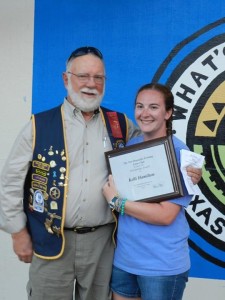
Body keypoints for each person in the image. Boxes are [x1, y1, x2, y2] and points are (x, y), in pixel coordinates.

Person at [0, 48, 201, 300]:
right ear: (66, 79)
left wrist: (190, 167)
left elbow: (156, 150)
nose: (91, 84)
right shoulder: (38, 125)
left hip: (103, 244)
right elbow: (10, 183)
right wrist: (18, 232)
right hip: (51, 239)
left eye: (99, 78)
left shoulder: (120, 124)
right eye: (83, 76)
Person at [103, 83, 200, 300]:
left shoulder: (181, 155)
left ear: (168, 112)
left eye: (154, 107)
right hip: (125, 261)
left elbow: (165, 215)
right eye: (140, 106)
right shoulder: (130, 147)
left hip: (162, 267)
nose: (145, 113)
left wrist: (117, 202)